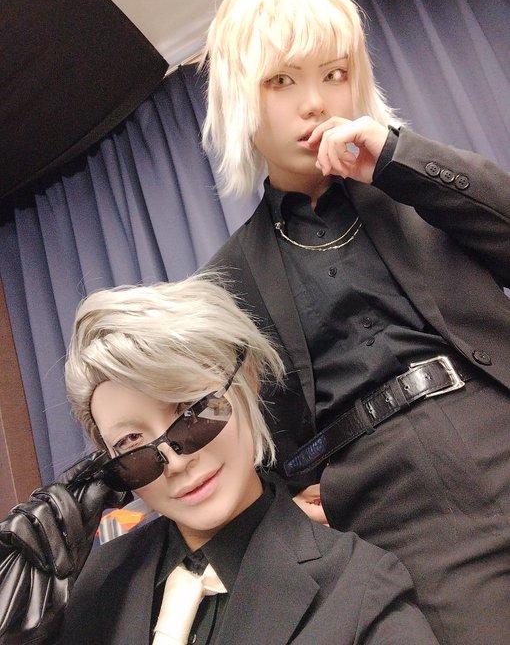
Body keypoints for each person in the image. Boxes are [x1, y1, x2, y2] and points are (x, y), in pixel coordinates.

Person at [200, 0, 510, 644]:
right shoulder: (224, 282)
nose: (315, 102)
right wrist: (283, 506)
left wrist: (398, 160)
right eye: (282, 81)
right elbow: (235, 447)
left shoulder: (419, 189)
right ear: (240, 100)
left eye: (334, 74)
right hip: (394, 512)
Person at [0, 275, 439, 645]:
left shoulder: (360, 591)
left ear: (246, 378)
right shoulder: (92, 587)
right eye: (132, 444)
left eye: (191, 412)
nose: (175, 462)